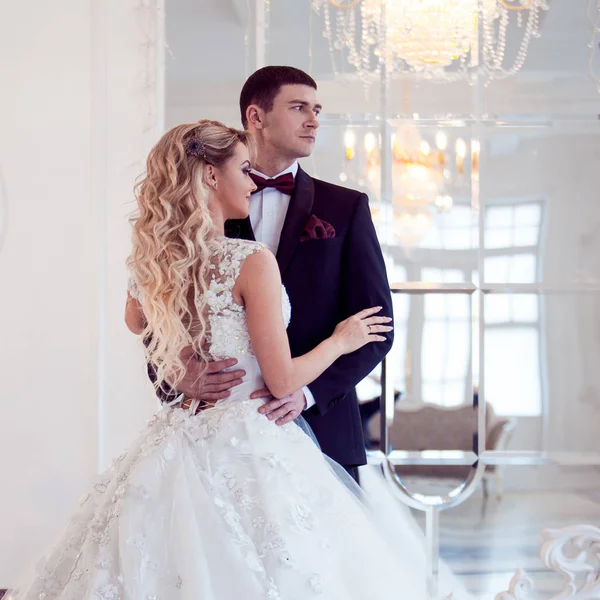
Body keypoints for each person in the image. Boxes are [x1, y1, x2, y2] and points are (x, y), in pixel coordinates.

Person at [6, 120, 432, 600]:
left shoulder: (150, 264)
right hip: (250, 441)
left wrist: (179, 368)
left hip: (176, 437)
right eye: (244, 169)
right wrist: (341, 339)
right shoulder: (250, 260)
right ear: (211, 176)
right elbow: (282, 377)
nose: (251, 181)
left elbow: (140, 326)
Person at [149, 66, 394, 482]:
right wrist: (177, 377)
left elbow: (377, 327)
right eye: (299, 107)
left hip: (325, 430)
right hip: (216, 433)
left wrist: (306, 394)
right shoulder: (201, 213)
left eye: (317, 109)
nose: (313, 120)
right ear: (255, 117)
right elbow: (158, 319)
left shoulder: (345, 207)